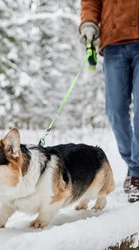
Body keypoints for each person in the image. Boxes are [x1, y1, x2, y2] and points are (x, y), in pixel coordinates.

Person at [79, 0, 139, 203]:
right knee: (115, 111)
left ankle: (137, 174)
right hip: (113, 43)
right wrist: (88, 22)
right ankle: (134, 164)